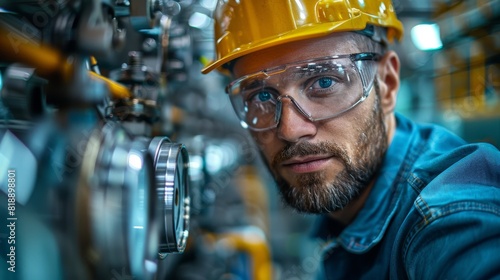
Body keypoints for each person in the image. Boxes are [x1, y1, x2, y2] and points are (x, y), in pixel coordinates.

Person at [201, 1, 500, 279]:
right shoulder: (343, 211)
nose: (290, 130)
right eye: (261, 96)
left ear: (387, 85)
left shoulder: (449, 216)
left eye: (324, 82)